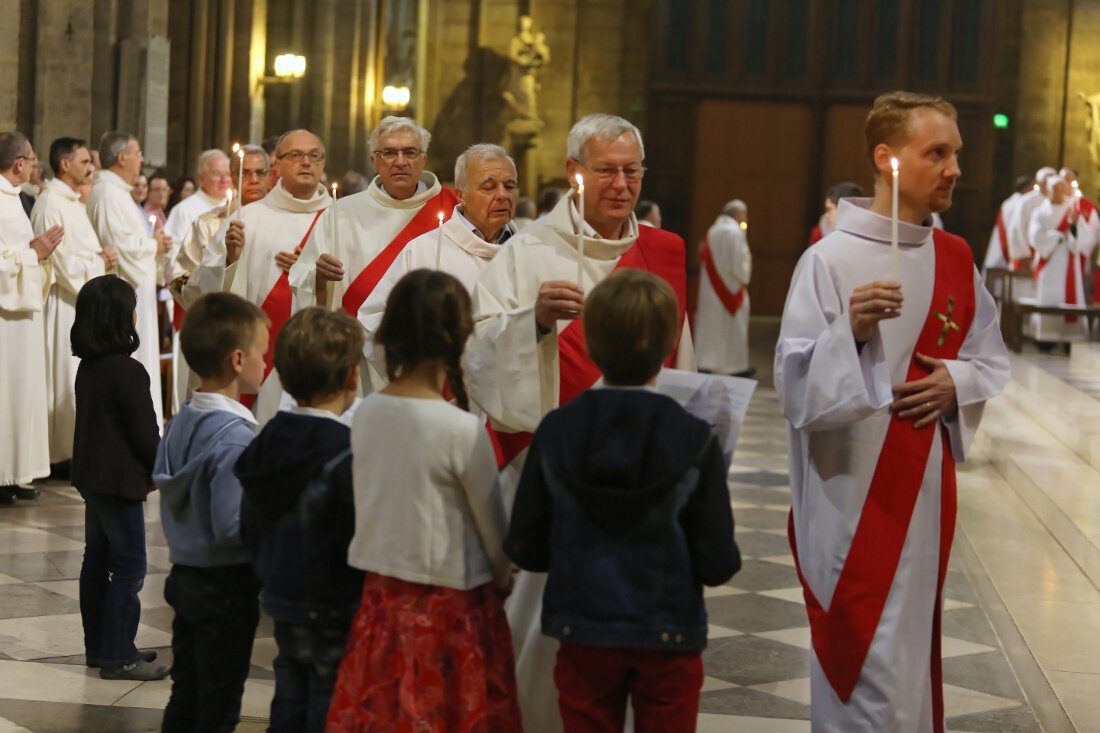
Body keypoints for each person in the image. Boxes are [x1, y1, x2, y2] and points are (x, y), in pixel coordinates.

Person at [775, 91, 1010, 731]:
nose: (955, 168)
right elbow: (795, 388)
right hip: (850, 500)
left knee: (906, 656)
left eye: (956, 153)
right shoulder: (827, 260)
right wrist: (848, 331)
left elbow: (991, 359)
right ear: (888, 159)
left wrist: (954, 383)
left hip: (924, 497)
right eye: (937, 153)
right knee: (862, 661)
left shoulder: (956, 257)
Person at [467, 113, 694, 732]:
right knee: (540, 630)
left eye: (631, 170)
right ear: (575, 173)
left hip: (643, 480)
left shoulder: (663, 252)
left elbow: (682, 360)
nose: (621, 184)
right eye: (606, 170)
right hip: (549, 473)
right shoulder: (529, 252)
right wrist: (532, 324)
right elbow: (479, 351)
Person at [506, 269, 740, 732]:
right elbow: (718, 562)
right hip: (668, 628)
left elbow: (526, 548)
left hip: (582, 624)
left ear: (590, 344)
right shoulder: (694, 436)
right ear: (670, 342)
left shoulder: (556, 431)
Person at [327, 270, 520, 732]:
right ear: (457, 340)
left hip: (381, 598)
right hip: (451, 609)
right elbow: (493, 530)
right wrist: (503, 573)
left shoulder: (366, 412)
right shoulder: (458, 428)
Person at [234, 307, 364, 733]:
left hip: (281, 596)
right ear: (352, 379)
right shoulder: (346, 451)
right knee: (329, 701)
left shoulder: (264, 441)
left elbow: (249, 523)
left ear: (284, 381)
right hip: (333, 603)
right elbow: (354, 535)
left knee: (290, 686)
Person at [153, 292, 269, 733]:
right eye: (262, 350)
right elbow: (231, 526)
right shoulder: (235, 437)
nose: (266, 360)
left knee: (187, 688)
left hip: (185, 576)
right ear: (238, 359)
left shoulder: (182, 420)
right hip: (226, 585)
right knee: (220, 700)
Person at [190, 130, 332, 423]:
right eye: (296, 155)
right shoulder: (247, 218)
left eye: (314, 156)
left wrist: (313, 276)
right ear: (277, 165)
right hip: (259, 358)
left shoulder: (340, 219)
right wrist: (229, 259)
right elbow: (202, 289)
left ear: (322, 163)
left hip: (316, 353)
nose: (306, 162)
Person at [69, 275, 167, 681]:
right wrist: (161, 467)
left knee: (97, 560)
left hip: (93, 478)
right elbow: (144, 432)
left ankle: (100, 648)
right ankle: (118, 656)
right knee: (130, 566)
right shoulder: (128, 371)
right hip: (121, 483)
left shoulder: (88, 368)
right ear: (120, 317)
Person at [357, 143, 517, 387]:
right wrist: (424, 364)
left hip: (512, 395)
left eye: (509, 186)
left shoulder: (529, 251)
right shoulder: (425, 251)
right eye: (489, 187)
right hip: (443, 394)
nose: (503, 195)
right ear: (461, 194)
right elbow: (374, 320)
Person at [289, 116, 459, 318]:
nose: (400, 162)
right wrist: (318, 278)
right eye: (388, 153)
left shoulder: (453, 210)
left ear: (424, 160)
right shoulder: (341, 214)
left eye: (410, 152)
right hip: (354, 339)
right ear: (374, 162)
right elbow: (303, 278)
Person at [30, 138, 113, 473]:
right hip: (63, 305)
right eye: (83, 162)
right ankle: (58, 455)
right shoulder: (51, 203)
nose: (90, 167)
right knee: (61, 375)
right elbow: (61, 264)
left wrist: (101, 260)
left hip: (80, 305)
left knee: (73, 378)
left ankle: (71, 450)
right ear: (64, 164)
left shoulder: (73, 203)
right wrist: (99, 262)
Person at [87, 131, 170, 430]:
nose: (142, 159)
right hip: (122, 295)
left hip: (137, 292)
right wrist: (154, 245)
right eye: (138, 153)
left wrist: (154, 244)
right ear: (122, 158)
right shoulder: (108, 194)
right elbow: (121, 248)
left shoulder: (119, 193)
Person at [0, 131, 62, 503]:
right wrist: (32, 253)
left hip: (20, 316)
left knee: (20, 393)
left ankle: (15, 473)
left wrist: (40, 255)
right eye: (32, 158)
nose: (36, 165)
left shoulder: (14, 200)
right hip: (4, 320)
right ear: (19, 163)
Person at [1027, 175, 1097, 348]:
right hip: (1049, 262)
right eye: (1055, 189)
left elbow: (1084, 237)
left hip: (1068, 262)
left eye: (1061, 188)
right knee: (1048, 297)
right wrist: (1058, 236)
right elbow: (1034, 235)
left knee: (1068, 297)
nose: (1059, 192)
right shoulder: (1040, 212)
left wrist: (1073, 228)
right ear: (1049, 190)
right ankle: (1046, 338)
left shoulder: (1072, 210)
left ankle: (1067, 340)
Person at [695, 199, 753, 377]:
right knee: (732, 329)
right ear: (738, 214)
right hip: (731, 288)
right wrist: (747, 262)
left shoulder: (713, 230)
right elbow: (738, 264)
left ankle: (707, 361)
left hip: (711, 290)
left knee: (712, 327)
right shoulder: (734, 232)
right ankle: (733, 366)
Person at [164, 150, 231, 286]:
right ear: (201, 178)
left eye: (228, 174)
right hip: (196, 286)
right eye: (217, 174)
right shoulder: (184, 209)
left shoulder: (236, 207)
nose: (224, 180)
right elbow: (172, 253)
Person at [982, 174, 1033, 275]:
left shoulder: (1009, 202)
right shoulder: (1019, 203)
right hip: (1008, 245)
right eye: (1032, 187)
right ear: (1026, 188)